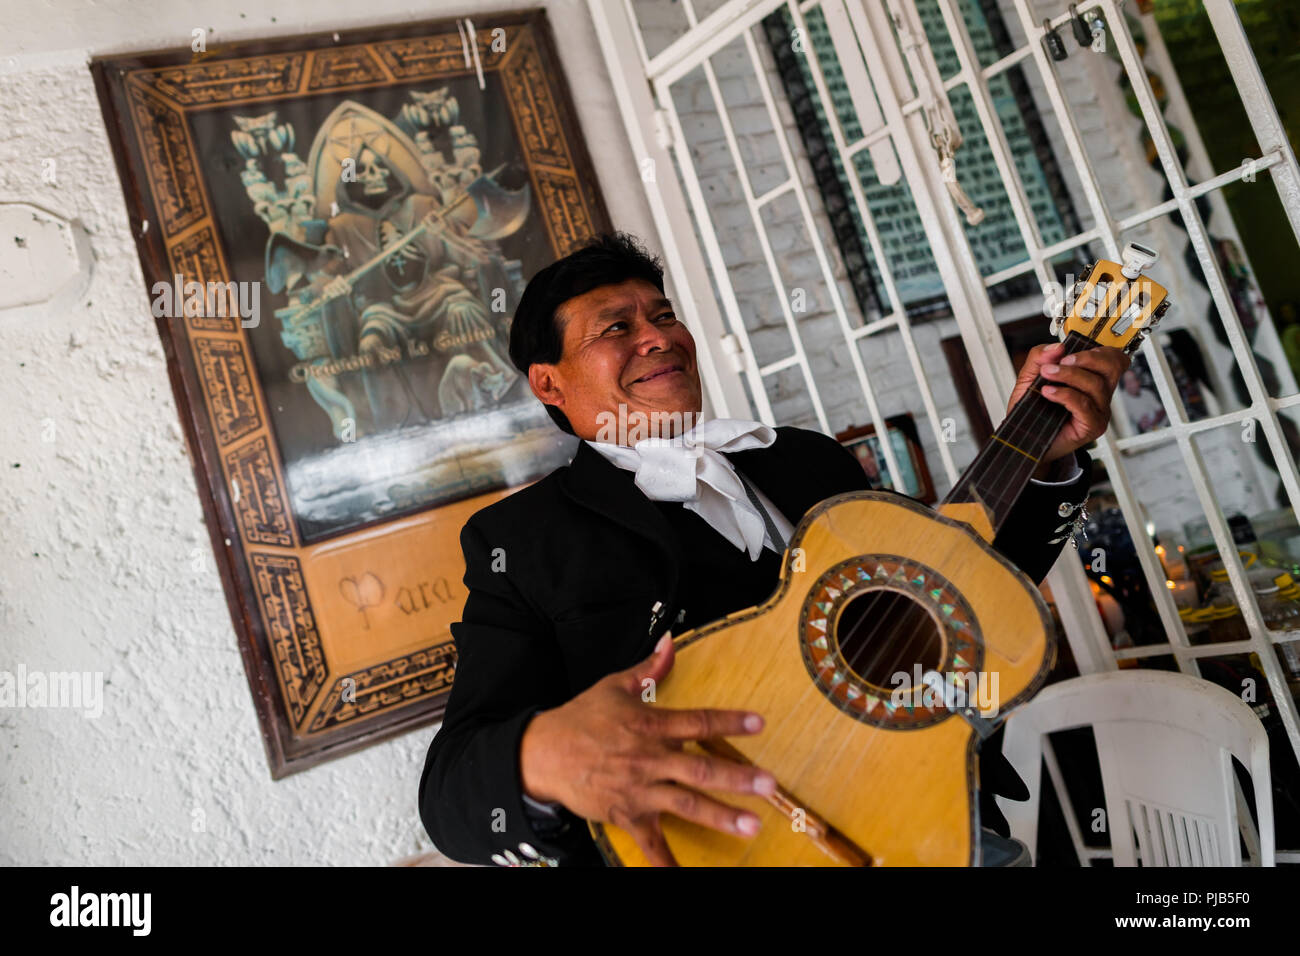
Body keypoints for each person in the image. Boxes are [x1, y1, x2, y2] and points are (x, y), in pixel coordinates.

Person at [418, 233, 1130, 867]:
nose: (658, 336)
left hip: (940, 821)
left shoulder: (808, 461)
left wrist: (1045, 458)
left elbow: (954, 592)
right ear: (549, 383)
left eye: (664, 315)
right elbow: (450, 792)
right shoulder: (519, 541)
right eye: (617, 327)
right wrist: (544, 757)